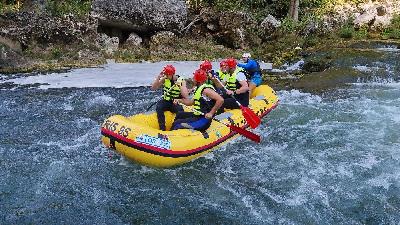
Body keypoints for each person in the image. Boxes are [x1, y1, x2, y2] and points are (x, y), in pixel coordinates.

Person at [150, 64, 189, 131]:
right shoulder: (164, 79)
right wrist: (158, 78)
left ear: (172, 74)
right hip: (166, 101)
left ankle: (175, 128)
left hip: (176, 102)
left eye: (167, 75)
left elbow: (185, 95)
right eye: (165, 74)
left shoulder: (181, 80)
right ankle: (162, 128)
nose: (166, 76)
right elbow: (153, 88)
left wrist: (180, 85)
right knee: (159, 107)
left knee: (181, 112)